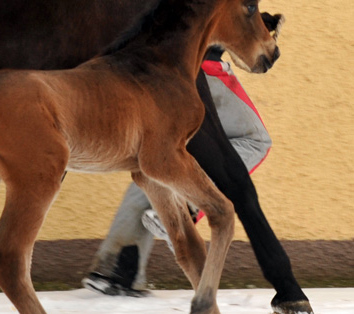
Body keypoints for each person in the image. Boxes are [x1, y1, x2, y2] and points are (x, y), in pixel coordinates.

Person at [82, 47, 272, 296]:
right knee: (255, 140)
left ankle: (116, 270)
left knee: (160, 160)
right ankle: (182, 205)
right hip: (198, 64)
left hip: (152, 71)